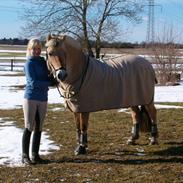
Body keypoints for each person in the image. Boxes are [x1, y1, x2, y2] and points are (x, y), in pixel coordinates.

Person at [22, 38, 52, 165]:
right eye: (34, 48)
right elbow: (33, 82)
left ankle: (35, 155)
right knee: (29, 126)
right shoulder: (29, 63)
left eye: (39, 48)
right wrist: (49, 83)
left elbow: (48, 75)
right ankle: (25, 156)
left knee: (39, 128)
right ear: (30, 49)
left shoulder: (43, 62)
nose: (37, 51)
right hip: (31, 98)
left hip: (43, 98)